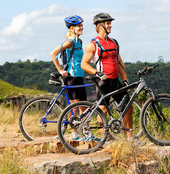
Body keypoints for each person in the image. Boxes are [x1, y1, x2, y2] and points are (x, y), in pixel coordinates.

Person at [81, 12, 145, 146]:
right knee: (102, 110)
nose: (110, 26)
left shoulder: (114, 42)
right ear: (99, 26)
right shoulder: (93, 45)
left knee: (128, 107)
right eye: (107, 23)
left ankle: (130, 137)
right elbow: (84, 64)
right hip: (103, 81)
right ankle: (102, 139)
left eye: (110, 23)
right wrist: (97, 73)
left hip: (116, 81)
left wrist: (125, 80)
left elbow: (119, 62)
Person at [50, 15, 91, 141]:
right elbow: (53, 54)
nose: (81, 28)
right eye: (79, 26)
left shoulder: (80, 41)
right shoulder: (70, 42)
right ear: (72, 28)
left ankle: (88, 133)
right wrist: (61, 70)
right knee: (74, 108)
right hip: (71, 77)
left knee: (84, 108)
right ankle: (75, 134)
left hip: (79, 76)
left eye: (82, 25)